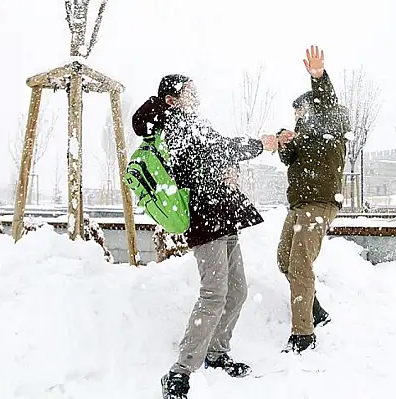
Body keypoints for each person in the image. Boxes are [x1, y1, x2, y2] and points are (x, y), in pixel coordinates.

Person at [131, 75, 278, 399]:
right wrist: (259, 144)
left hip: (222, 214)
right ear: (171, 99)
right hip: (204, 218)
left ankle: (216, 352)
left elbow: (216, 154)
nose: (196, 95)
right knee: (214, 294)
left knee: (237, 291)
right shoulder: (175, 123)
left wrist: (230, 171)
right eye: (189, 91)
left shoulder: (193, 122)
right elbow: (219, 148)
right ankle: (179, 372)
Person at [274, 45, 350, 353]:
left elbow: (327, 103)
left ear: (312, 108)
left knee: (301, 264)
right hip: (300, 205)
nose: (297, 117)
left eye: (299, 112)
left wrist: (318, 76)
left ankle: (303, 335)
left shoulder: (332, 124)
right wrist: (283, 141)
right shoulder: (303, 135)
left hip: (320, 204)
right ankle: (315, 310)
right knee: (284, 260)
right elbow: (288, 158)